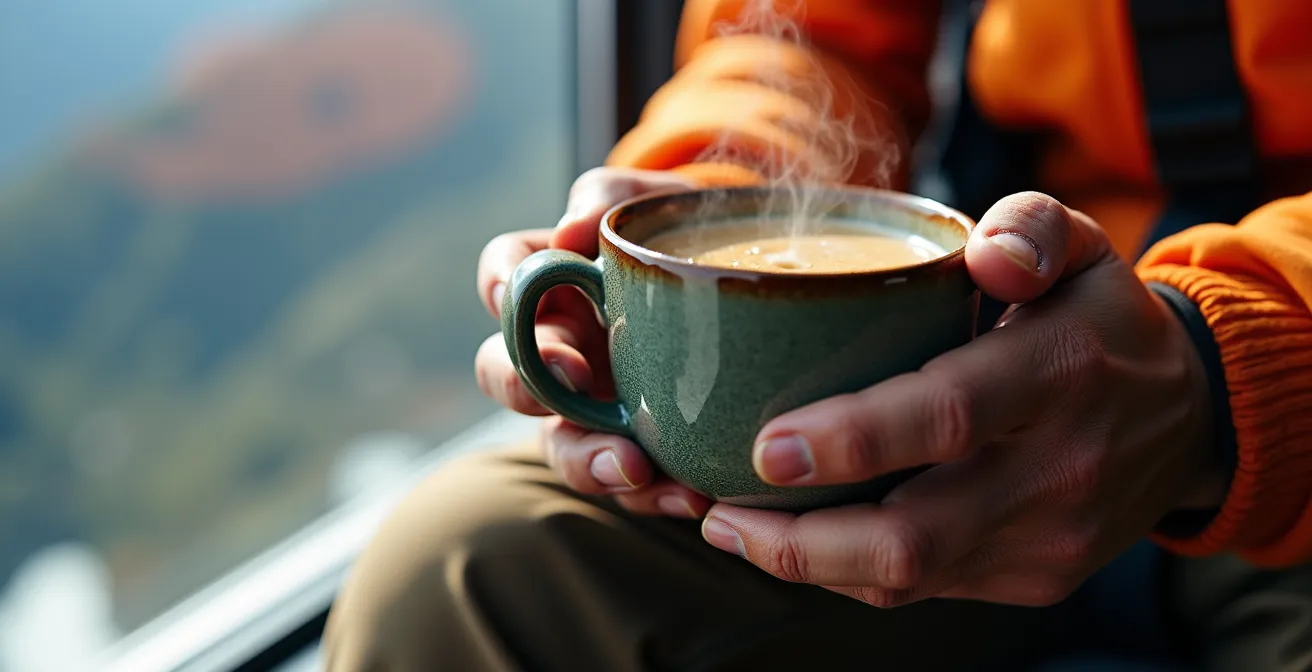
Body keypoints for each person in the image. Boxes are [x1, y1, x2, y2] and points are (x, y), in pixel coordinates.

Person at [323, 1, 1312, 669]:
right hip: (971, 404)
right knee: (460, 573)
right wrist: (723, 192)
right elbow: (801, 33)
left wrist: (1229, 367)